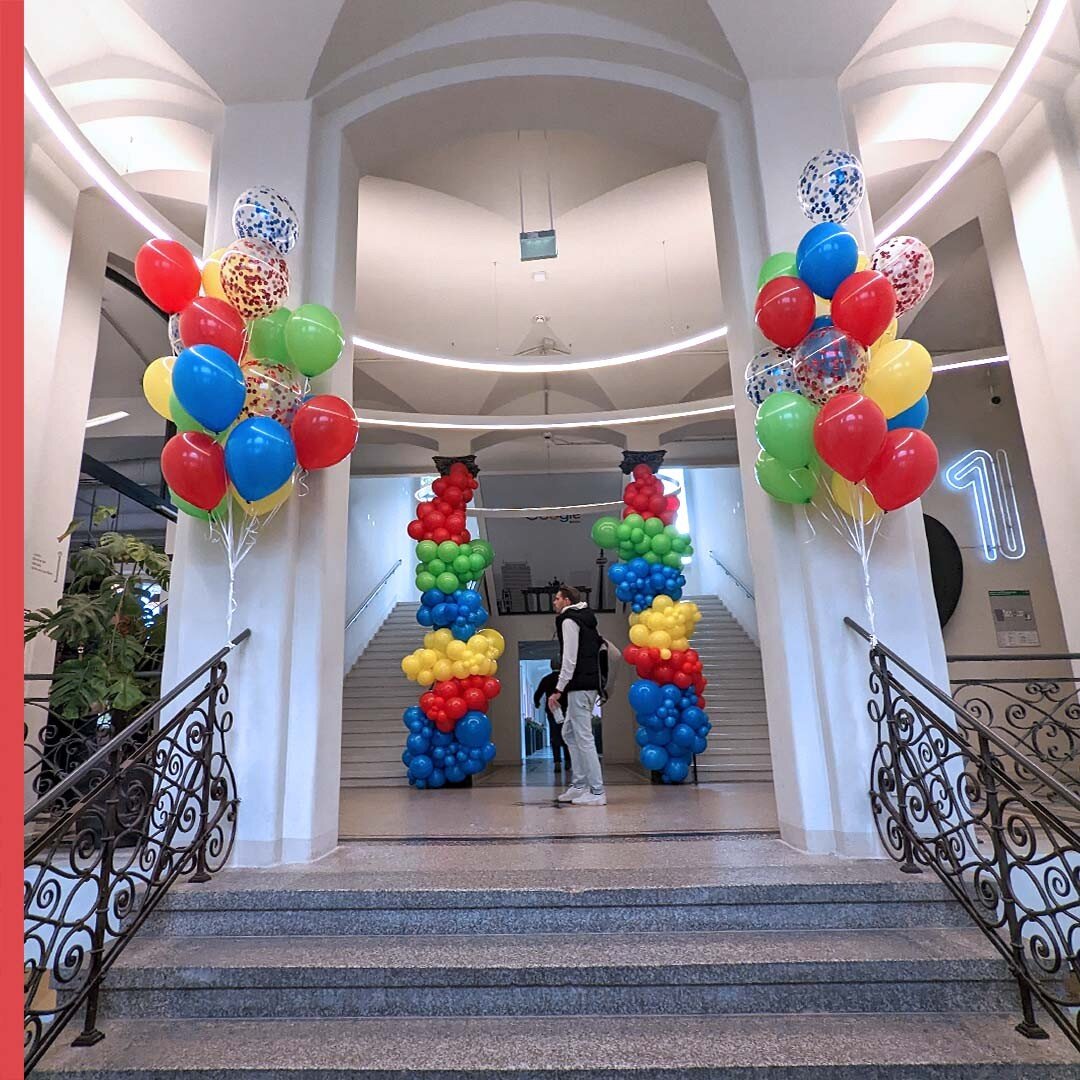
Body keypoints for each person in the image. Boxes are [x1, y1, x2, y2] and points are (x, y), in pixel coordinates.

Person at [548, 585, 607, 806]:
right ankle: (580, 785)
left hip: (580, 686)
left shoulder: (569, 621)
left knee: (583, 737)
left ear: (566, 600)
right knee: (570, 733)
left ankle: (598, 791)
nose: (554, 602)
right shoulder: (586, 619)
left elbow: (569, 659)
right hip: (587, 684)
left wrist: (558, 689)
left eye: (557, 598)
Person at [533, 660, 571, 771]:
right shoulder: (564, 680)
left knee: (554, 735)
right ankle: (568, 761)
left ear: (551, 666)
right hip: (565, 710)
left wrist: (537, 703)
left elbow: (538, 693)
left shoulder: (546, 679)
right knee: (566, 735)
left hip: (552, 711)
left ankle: (557, 761)